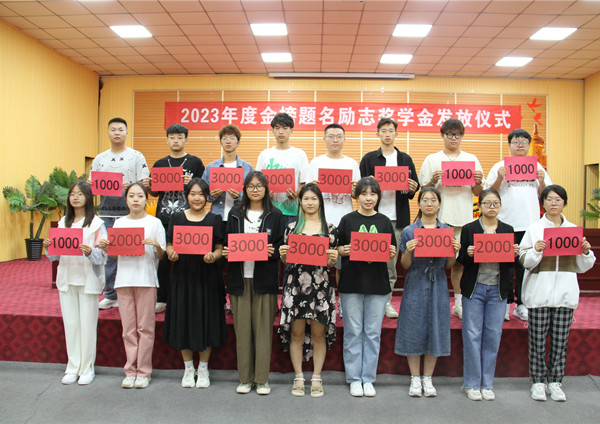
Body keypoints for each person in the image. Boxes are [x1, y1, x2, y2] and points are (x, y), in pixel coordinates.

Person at [519, 185, 595, 402]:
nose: (554, 203)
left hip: (565, 294)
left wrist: (586, 252)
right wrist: (536, 250)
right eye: (549, 199)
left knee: (560, 342)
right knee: (537, 341)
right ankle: (538, 382)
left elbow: (583, 266)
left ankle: (555, 381)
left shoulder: (573, 230)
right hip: (539, 294)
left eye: (558, 199)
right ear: (543, 203)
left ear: (564, 203)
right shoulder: (534, 229)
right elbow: (524, 261)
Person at [223, 171, 285, 395]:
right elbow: (226, 242)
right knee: (242, 331)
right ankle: (245, 379)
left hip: (264, 281)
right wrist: (227, 251)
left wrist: (273, 251)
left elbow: (281, 245)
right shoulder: (235, 213)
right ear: (245, 189)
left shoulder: (275, 214)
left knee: (263, 332)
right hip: (239, 280)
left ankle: (262, 379)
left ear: (266, 189)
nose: (255, 189)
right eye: (251, 186)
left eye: (259, 186)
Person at [394, 187, 460, 398]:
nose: (429, 203)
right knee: (413, 326)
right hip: (415, 281)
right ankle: (415, 377)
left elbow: (449, 266)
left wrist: (454, 252)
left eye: (433, 200)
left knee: (436, 326)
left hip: (438, 282)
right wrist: (409, 251)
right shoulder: (409, 231)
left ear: (439, 204)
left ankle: (428, 378)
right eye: (425, 200)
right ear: (419, 204)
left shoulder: (446, 231)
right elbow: (404, 265)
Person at [98, 183, 165, 389]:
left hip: (146, 280)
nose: (136, 199)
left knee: (145, 328)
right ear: (126, 200)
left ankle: (144, 372)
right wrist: (107, 248)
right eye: (131, 196)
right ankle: (130, 370)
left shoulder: (155, 223)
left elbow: (162, 255)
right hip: (124, 281)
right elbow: (115, 255)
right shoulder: (119, 223)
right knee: (128, 329)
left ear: (146, 200)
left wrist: (156, 245)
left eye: (140, 196)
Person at [337, 176, 397, 398]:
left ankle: (368, 378)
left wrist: (391, 252)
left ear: (378, 196)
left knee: (372, 333)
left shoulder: (384, 221)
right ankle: (354, 378)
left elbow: (391, 250)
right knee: (353, 332)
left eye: (373, 194)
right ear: (357, 196)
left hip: (377, 284)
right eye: (364, 194)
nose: (368, 198)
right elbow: (337, 250)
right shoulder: (347, 220)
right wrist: (343, 250)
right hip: (351, 282)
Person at [457, 188, 519, 401]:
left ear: (500, 206)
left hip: (497, 291)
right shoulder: (470, 228)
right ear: (480, 206)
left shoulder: (507, 230)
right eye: (487, 203)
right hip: (475, 288)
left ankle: (487, 383)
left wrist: (514, 254)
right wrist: (468, 253)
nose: (491, 207)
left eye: (495, 203)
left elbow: (510, 265)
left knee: (493, 335)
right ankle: (471, 383)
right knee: (472, 335)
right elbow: (461, 260)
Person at [163, 178, 226, 389]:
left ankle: (204, 368)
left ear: (207, 197)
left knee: (206, 320)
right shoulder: (177, 217)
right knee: (184, 320)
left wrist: (214, 256)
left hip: (207, 276)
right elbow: (169, 245)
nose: (197, 198)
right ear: (186, 196)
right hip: (183, 276)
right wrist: (171, 253)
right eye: (192, 194)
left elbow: (220, 248)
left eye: (201, 194)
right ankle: (188, 368)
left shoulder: (215, 219)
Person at [419, 118, 484, 319]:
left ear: (462, 136)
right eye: (449, 134)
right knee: (434, 262)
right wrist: (433, 180)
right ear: (442, 135)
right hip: (439, 220)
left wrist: (478, 182)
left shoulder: (471, 159)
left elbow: (478, 192)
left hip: (465, 220)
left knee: (460, 263)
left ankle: (458, 303)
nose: (453, 138)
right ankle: (430, 301)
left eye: (457, 134)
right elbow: (424, 190)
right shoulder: (432, 159)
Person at [278, 183, 339, 397]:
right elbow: (286, 261)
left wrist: (333, 260)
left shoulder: (330, 229)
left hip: (321, 287)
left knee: (318, 334)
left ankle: (316, 377)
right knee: (296, 334)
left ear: (320, 202)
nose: (310, 202)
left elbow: (330, 264)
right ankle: (298, 377)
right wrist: (283, 254)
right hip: (296, 286)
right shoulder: (291, 228)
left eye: (314, 198)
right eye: (306, 199)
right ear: (300, 202)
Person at [484, 129, 551, 321]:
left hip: (530, 225)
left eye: (524, 142)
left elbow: (546, 196)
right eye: (516, 141)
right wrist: (500, 178)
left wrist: (541, 181)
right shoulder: (499, 166)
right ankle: (504, 303)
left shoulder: (537, 167)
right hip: (505, 224)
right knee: (504, 266)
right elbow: (488, 194)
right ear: (509, 145)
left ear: (528, 145)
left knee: (525, 267)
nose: (520, 145)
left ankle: (522, 304)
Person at [43, 181, 107, 385]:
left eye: (80, 194)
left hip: (88, 279)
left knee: (87, 326)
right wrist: (48, 247)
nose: (75, 197)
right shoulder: (64, 222)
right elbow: (54, 256)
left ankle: (87, 368)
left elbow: (103, 256)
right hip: (67, 277)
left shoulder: (96, 224)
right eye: (72, 194)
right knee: (71, 325)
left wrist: (90, 251)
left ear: (88, 197)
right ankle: (72, 367)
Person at [360, 117, 419, 318]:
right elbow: (360, 190)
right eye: (383, 130)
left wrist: (412, 188)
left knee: (391, 264)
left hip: (397, 219)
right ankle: (367, 301)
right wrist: (370, 184)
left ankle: (386, 302)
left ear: (396, 133)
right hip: (373, 218)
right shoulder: (369, 159)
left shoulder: (405, 159)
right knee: (368, 260)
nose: (387, 134)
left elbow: (413, 189)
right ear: (378, 133)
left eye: (391, 130)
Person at [91, 117, 150, 310]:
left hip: (131, 214)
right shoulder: (100, 159)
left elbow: (145, 185)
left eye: (120, 129)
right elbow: (93, 186)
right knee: (110, 254)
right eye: (113, 129)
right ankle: (110, 294)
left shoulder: (136, 156)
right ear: (108, 133)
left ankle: (134, 294)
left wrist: (132, 186)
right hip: (106, 214)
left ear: (126, 132)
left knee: (133, 254)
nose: (117, 133)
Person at [148, 124, 205, 314]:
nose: (176, 141)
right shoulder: (159, 164)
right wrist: (148, 185)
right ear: (167, 140)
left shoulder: (195, 162)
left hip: (188, 218)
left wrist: (193, 182)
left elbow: (203, 189)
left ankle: (190, 296)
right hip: (163, 218)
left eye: (180, 137)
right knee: (163, 259)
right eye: (172, 137)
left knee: (189, 259)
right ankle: (162, 297)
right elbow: (154, 192)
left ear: (186, 140)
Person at [256, 112, 310, 226]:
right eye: (277, 128)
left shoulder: (300, 154)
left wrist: (296, 194)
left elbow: (304, 182)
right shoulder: (265, 154)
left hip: (292, 212)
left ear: (291, 131)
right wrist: (265, 193)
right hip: (268, 210)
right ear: (272, 131)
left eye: (285, 128)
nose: (281, 132)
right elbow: (257, 182)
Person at [201, 124, 254, 222]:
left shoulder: (247, 168)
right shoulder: (211, 167)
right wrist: (212, 195)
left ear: (238, 142)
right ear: (220, 142)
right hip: (217, 216)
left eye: (232, 138)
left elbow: (253, 195)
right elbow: (202, 194)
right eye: (224, 138)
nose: (228, 141)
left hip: (240, 217)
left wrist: (238, 196)